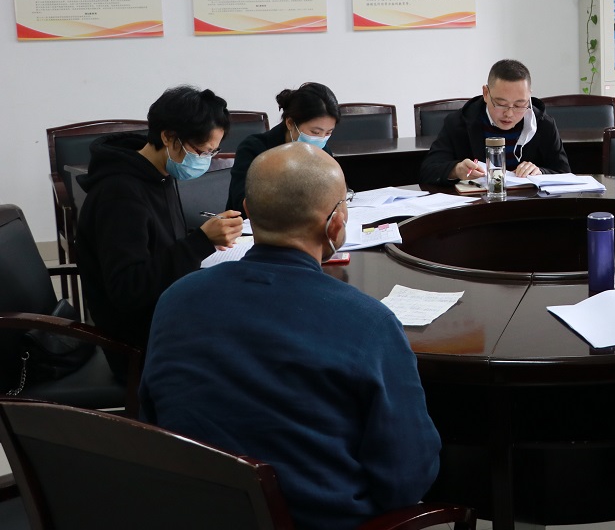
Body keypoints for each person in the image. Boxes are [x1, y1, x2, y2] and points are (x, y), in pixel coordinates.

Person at [140, 143, 441, 530]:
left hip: (196, 510)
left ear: (248, 211)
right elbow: (406, 479)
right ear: (336, 224)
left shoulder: (176, 299)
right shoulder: (368, 324)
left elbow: (153, 419)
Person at [75, 86, 243, 376]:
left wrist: (200, 241)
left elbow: (161, 247)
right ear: (168, 137)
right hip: (137, 344)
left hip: (166, 313)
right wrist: (201, 241)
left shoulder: (159, 174)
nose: (205, 159)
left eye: (212, 152)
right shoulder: (119, 193)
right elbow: (129, 290)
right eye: (200, 151)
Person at [419, 58, 570, 183]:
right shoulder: (458, 122)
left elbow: (564, 173)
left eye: (519, 105)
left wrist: (540, 172)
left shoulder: (543, 124)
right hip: (479, 205)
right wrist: (456, 170)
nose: (509, 113)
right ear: (486, 93)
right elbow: (428, 171)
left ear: (529, 96)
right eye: (501, 104)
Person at [226, 82, 340, 211]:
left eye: (328, 133)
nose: (321, 139)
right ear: (290, 123)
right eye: (315, 132)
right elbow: (242, 204)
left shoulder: (323, 152)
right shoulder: (254, 149)